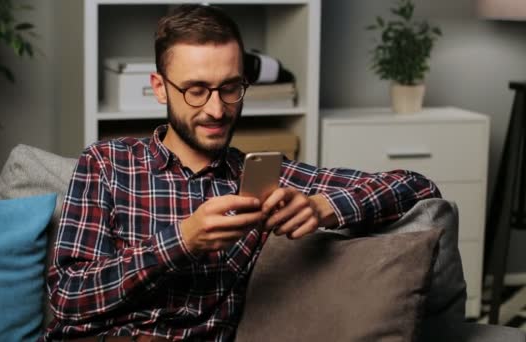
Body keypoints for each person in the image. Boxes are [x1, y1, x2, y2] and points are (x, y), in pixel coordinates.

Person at [42, 4, 440, 342]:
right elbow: (68, 298)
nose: (217, 110)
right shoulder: (107, 163)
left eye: (230, 88)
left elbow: (416, 185)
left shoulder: (260, 180)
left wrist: (324, 207)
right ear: (160, 88)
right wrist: (183, 240)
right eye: (196, 90)